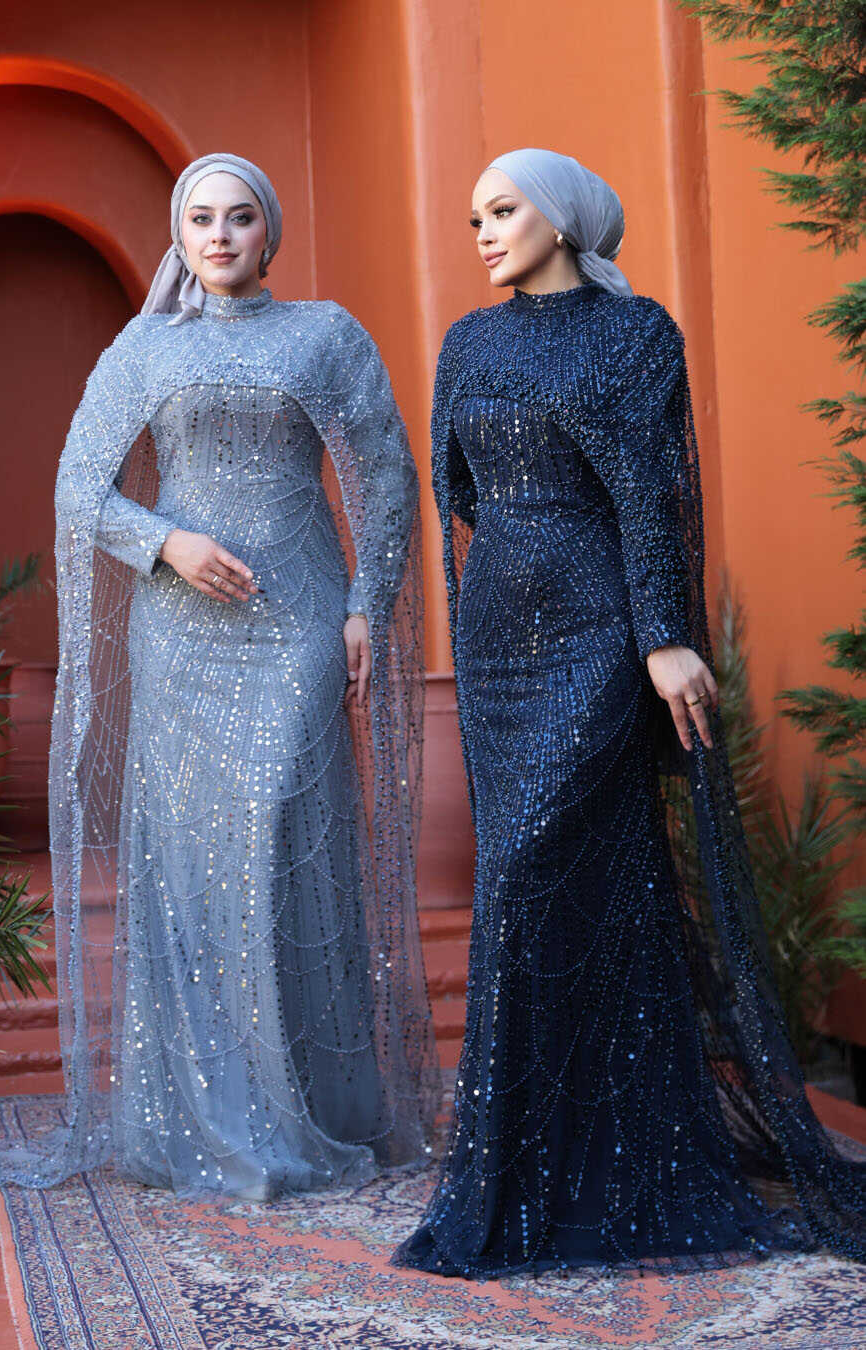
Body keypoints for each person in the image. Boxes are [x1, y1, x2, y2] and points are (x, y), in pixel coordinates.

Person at [391, 148, 866, 1279]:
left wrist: (661, 636)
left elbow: (652, 491)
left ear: (562, 217)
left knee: (524, 871)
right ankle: (566, 1158)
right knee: (584, 887)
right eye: (473, 216)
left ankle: (566, 1166)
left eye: (502, 209)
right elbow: (458, 496)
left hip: (603, 631)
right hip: (499, 646)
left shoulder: (636, 333)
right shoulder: (467, 342)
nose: (482, 231)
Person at [0, 152, 440, 1199]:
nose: (219, 235)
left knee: (281, 840)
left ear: (269, 231)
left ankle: (310, 1105)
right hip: (181, 638)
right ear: (180, 237)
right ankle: (203, 1112)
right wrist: (168, 543)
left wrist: (366, 604)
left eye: (239, 218)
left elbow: (389, 475)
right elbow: (80, 487)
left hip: (300, 620)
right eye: (200, 219)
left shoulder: (326, 335)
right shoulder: (145, 346)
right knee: (191, 863)